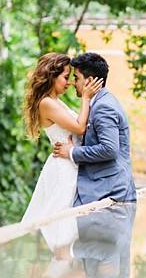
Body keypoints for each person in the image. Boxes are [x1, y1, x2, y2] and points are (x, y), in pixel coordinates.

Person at [21, 53, 103, 249]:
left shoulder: (55, 101)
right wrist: (85, 97)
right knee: (60, 219)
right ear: (52, 76)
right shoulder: (46, 103)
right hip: (64, 167)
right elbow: (79, 127)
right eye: (66, 77)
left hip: (70, 161)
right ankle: (60, 262)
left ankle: (65, 264)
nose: (69, 83)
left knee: (67, 219)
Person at [52, 52, 137, 205]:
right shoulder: (99, 103)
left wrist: (71, 152)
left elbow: (109, 149)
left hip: (109, 194)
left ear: (89, 81)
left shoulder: (103, 107)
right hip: (102, 192)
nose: (73, 83)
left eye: (77, 78)